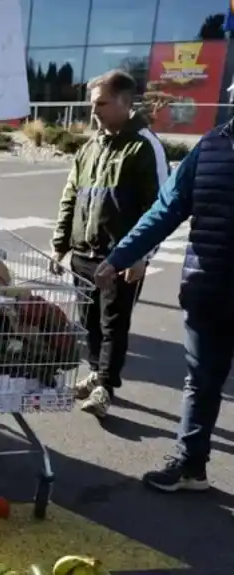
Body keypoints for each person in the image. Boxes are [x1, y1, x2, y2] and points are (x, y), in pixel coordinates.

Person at [94, 123, 231, 493]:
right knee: (201, 381)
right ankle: (190, 466)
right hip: (208, 288)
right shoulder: (211, 146)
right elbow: (167, 207)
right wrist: (123, 254)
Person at [49, 69, 169, 419]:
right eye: (92, 104)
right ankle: (94, 373)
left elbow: (158, 209)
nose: (94, 111)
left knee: (114, 323)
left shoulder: (144, 146)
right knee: (89, 321)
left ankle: (105, 385)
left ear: (124, 103)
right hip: (83, 254)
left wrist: (140, 256)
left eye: (101, 103)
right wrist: (60, 244)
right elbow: (70, 195)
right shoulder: (91, 147)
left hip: (119, 258)